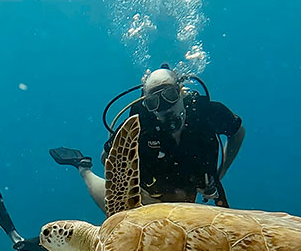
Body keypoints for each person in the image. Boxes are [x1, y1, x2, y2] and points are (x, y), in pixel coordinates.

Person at [50, 64, 245, 212]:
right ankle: (83, 167)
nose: (164, 107)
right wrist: (128, 188)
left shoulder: (206, 112)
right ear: (146, 103)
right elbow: (106, 157)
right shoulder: (140, 123)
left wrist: (221, 171)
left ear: (181, 91)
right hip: (148, 194)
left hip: (192, 190)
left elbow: (238, 133)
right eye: (153, 102)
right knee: (116, 212)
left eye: (169, 94)